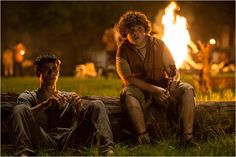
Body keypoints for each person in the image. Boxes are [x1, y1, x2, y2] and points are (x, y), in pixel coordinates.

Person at [116, 11, 196, 146]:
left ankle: (187, 137)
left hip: (161, 84)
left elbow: (172, 70)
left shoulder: (159, 44)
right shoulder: (123, 49)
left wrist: (174, 81)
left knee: (188, 89)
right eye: (131, 30)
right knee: (129, 94)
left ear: (145, 29)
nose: (136, 34)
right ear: (125, 32)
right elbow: (128, 79)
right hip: (138, 88)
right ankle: (143, 137)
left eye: (139, 29)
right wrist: (154, 90)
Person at [11, 53, 114, 156]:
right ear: (38, 72)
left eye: (54, 69)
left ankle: (108, 151)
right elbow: (21, 115)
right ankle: (23, 153)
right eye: (47, 69)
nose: (52, 73)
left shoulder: (67, 97)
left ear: (58, 72)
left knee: (98, 104)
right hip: (43, 139)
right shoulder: (28, 96)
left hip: (69, 140)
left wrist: (79, 107)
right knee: (19, 108)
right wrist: (45, 104)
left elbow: (81, 123)